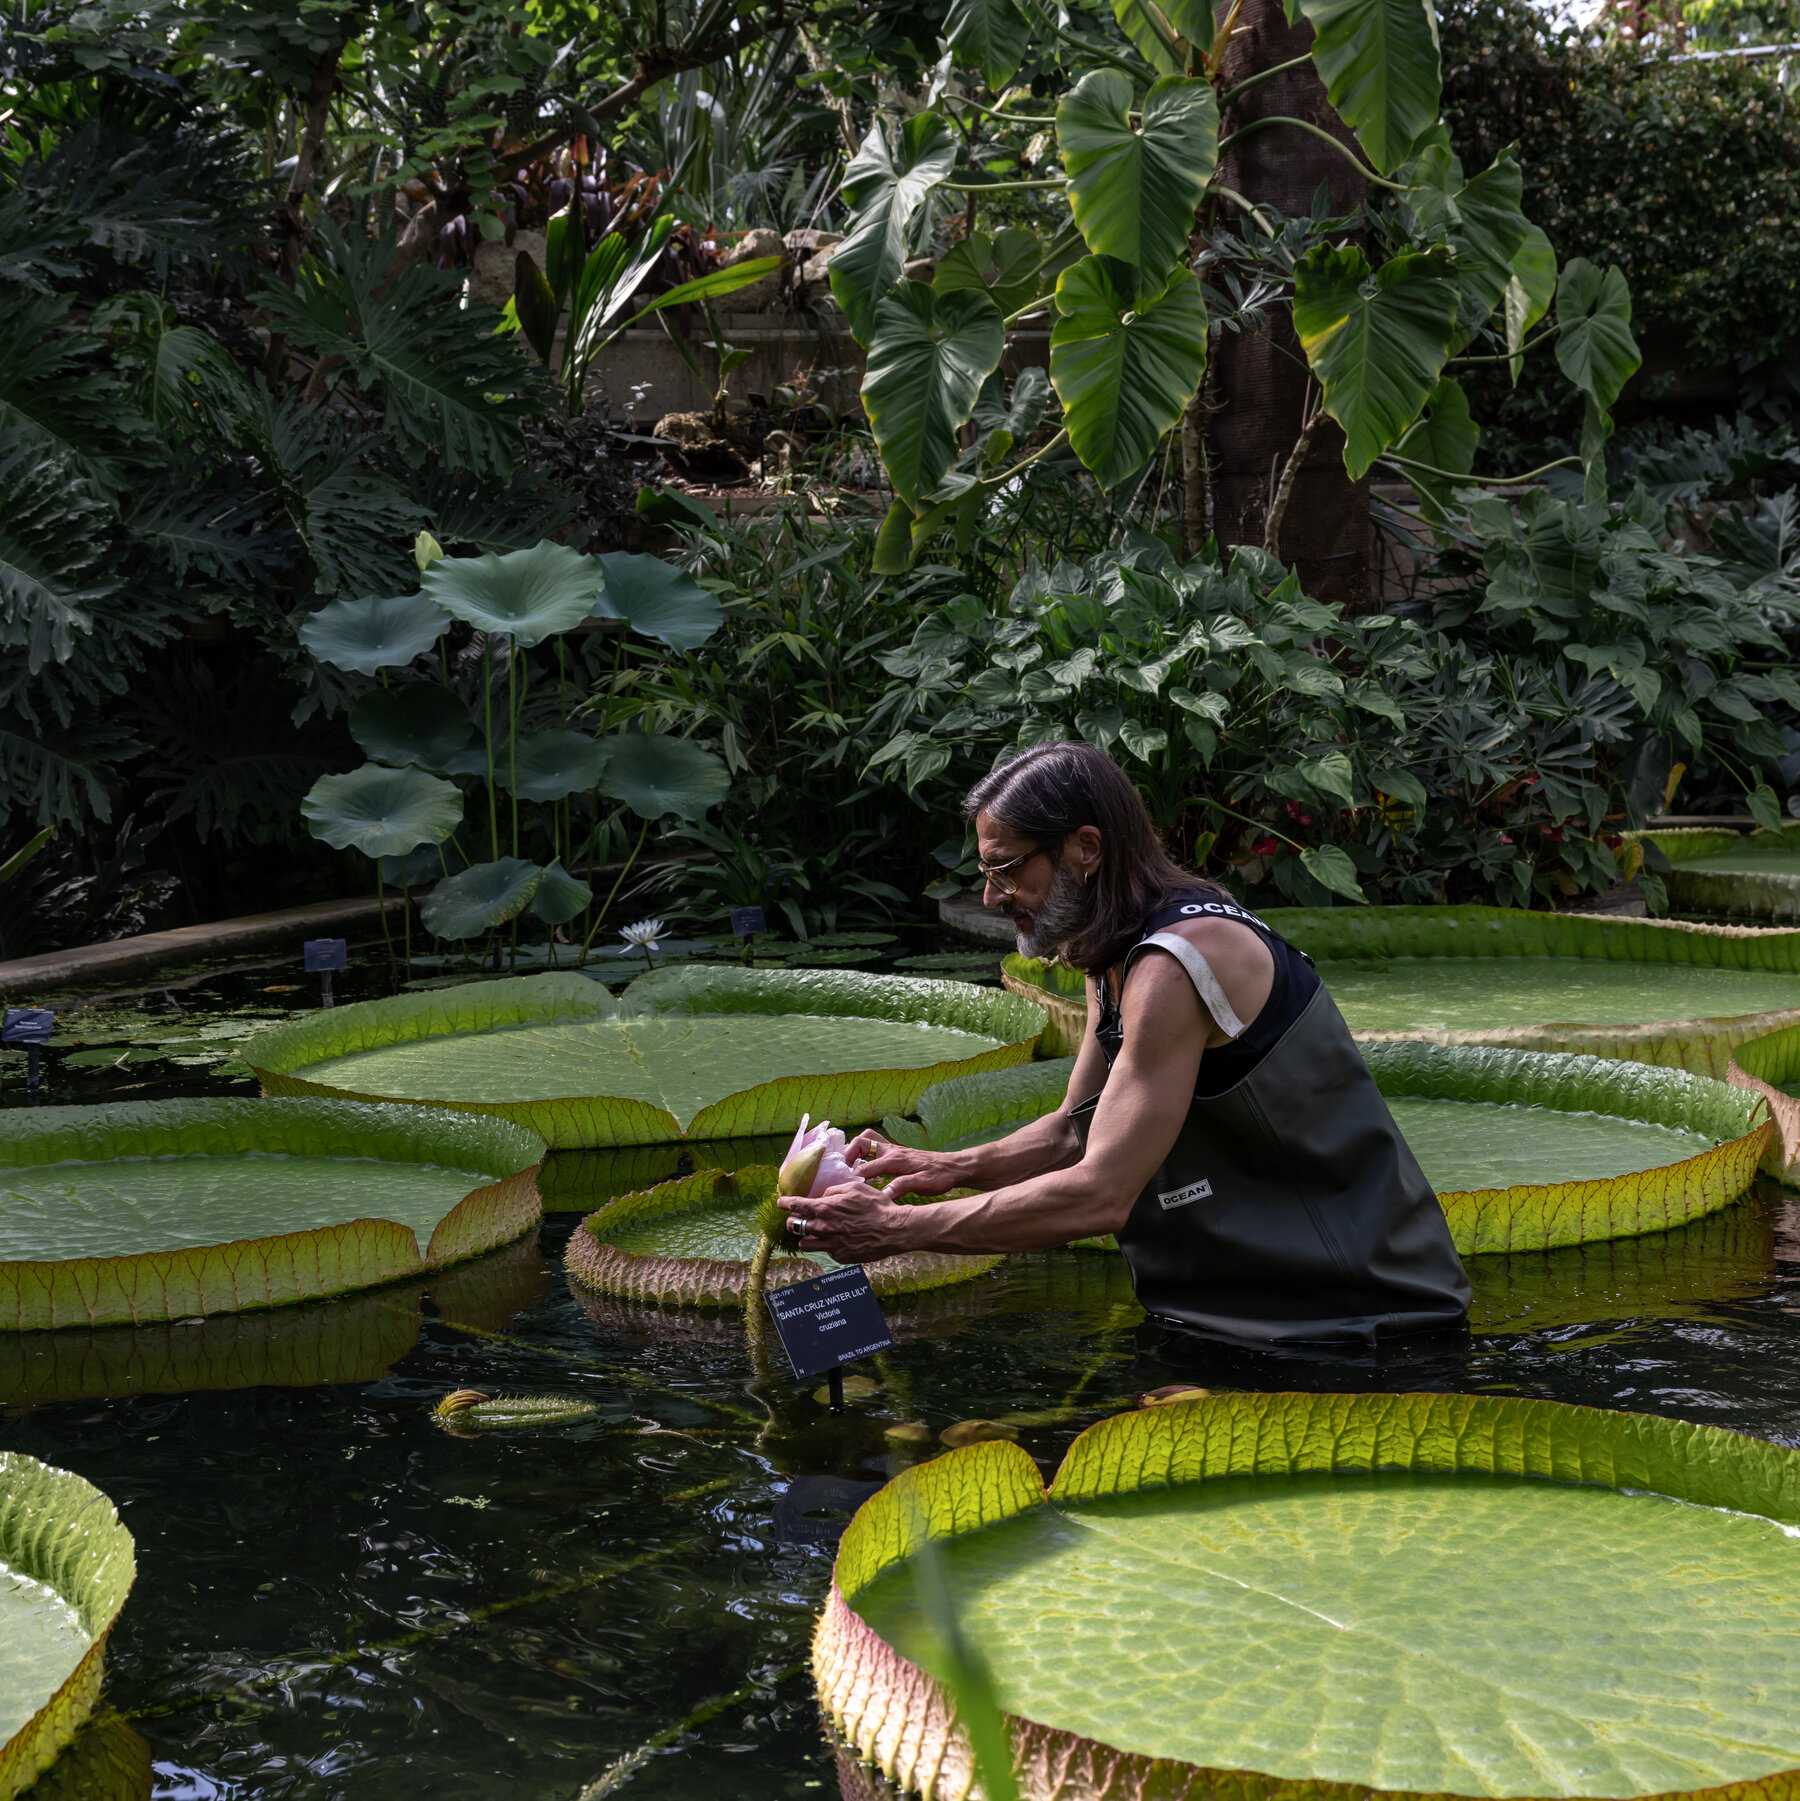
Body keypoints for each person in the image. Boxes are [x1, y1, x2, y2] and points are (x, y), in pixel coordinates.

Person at [779, 741, 1470, 1346]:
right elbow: (1075, 1134)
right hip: (1247, 1313)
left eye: (1007, 868)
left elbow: (1101, 1193)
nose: (992, 897)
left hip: (1361, 1324)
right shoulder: (1111, 952)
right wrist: (942, 1165)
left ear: (1085, 847)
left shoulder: (1177, 963)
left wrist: (897, 1231)